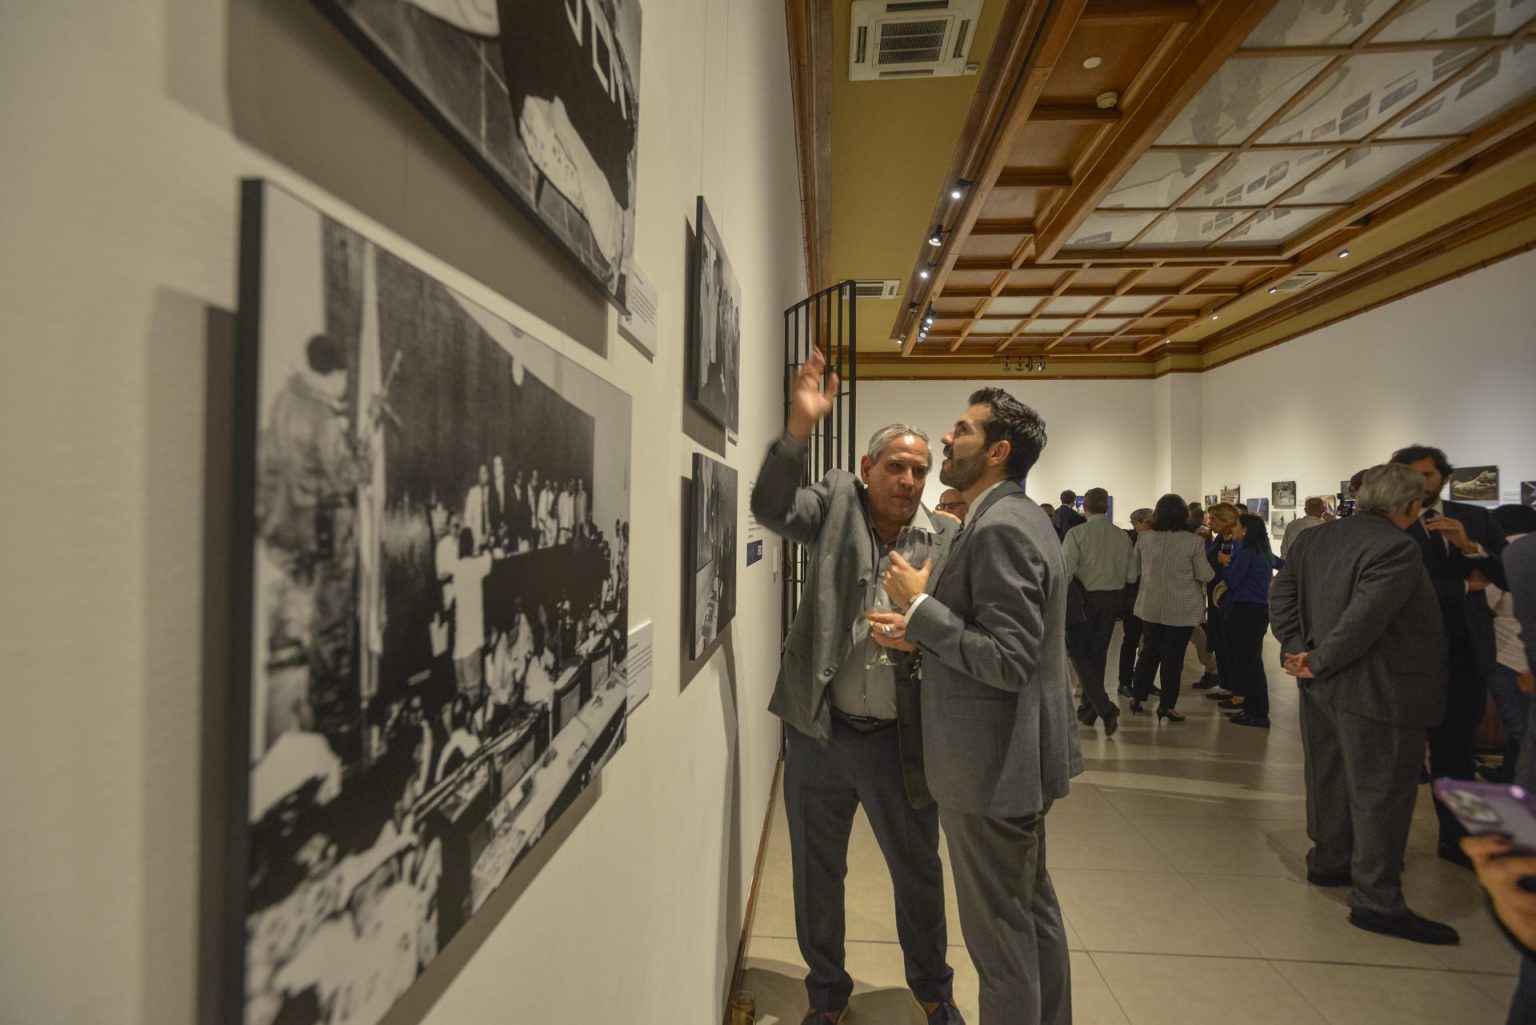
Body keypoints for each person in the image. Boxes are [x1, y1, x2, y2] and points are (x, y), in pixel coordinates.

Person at [750, 347, 963, 1025]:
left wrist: (923, 628)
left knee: (918, 873)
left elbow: (964, 632)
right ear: (868, 468)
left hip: (902, 740)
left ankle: (933, 990)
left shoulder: (948, 540)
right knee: (817, 875)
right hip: (821, 731)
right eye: (895, 466)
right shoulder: (837, 504)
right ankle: (826, 996)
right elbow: (769, 506)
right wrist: (797, 430)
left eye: (920, 470)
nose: (907, 479)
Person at [876, 387, 1081, 1025]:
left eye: (961, 431)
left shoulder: (998, 528)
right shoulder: (1015, 517)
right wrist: (924, 629)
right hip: (1008, 759)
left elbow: (1009, 659)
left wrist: (919, 608)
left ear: (995, 452)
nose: (945, 439)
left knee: (1000, 941)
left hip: (990, 768)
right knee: (1030, 915)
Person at [1270, 463, 1458, 945]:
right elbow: (1366, 616)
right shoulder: (1396, 546)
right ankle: (1377, 898)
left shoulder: (1315, 539)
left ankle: (1330, 861)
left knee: (1328, 776)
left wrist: (1298, 649)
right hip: (1379, 689)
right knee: (1380, 791)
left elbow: (1283, 594)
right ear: (1412, 506)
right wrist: (1317, 659)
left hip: (1322, 685)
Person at [1391, 445, 1507, 867]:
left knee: (1456, 749)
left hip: (1465, 649)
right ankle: (1383, 846)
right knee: (1399, 753)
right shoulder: (1391, 523)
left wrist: (1470, 546)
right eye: (1412, 475)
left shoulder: (1474, 518)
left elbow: (1507, 573)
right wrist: (1464, 586)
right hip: (1408, 651)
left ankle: (1455, 839)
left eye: (1428, 474)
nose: (1422, 483)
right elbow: (1399, 587)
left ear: (1443, 475)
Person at [1128, 494, 1215, 721]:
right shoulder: (1193, 542)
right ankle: (1167, 706)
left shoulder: (1145, 539)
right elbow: (1206, 574)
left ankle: (1137, 697)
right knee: (1172, 660)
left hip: (1150, 605)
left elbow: (1132, 572)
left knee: (1148, 653)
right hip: (1182, 608)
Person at [1062, 487, 1137, 734]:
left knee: (1079, 653)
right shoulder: (1122, 536)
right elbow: (1131, 575)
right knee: (1098, 654)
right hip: (1113, 600)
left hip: (1083, 600)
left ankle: (1104, 708)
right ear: (1106, 507)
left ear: (1085, 507)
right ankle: (1088, 710)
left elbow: (1066, 571)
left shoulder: (1077, 534)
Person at [1485, 505, 1536, 780]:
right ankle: (1510, 775)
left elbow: (1488, 600)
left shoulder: (1507, 555)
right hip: (1522, 652)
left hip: (1508, 653)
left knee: (1520, 726)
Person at [1216, 513, 1275, 728]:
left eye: (1238, 526)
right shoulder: (1263, 552)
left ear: (1246, 530)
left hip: (1244, 609)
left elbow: (1232, 581)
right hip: (1257, 609)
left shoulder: (1247, 553)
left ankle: (1257, 712)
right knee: (1250, 660)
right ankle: (1251, 708)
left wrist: (1225, 563)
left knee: (1249, 662)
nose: (1235, 530)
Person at [1117, 508, 1154, 698]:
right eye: (1148, 522)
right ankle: (1124, 682)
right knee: (1131, 640)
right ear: (1137, 523)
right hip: (1133, 596)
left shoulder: (1152, 539)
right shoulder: (1130, 540)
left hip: (1147, 595)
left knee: (1148, 642)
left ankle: (1143, 681)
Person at [464, 463, 492, 550]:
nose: (482, 476)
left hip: (490, 538)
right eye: (480, 473)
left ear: (488, 475)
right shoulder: (473, 493)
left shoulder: (492, 492)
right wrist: (473, 537)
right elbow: (467, 518)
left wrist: (489, 535)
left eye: (484, 473)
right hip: (476, 539)